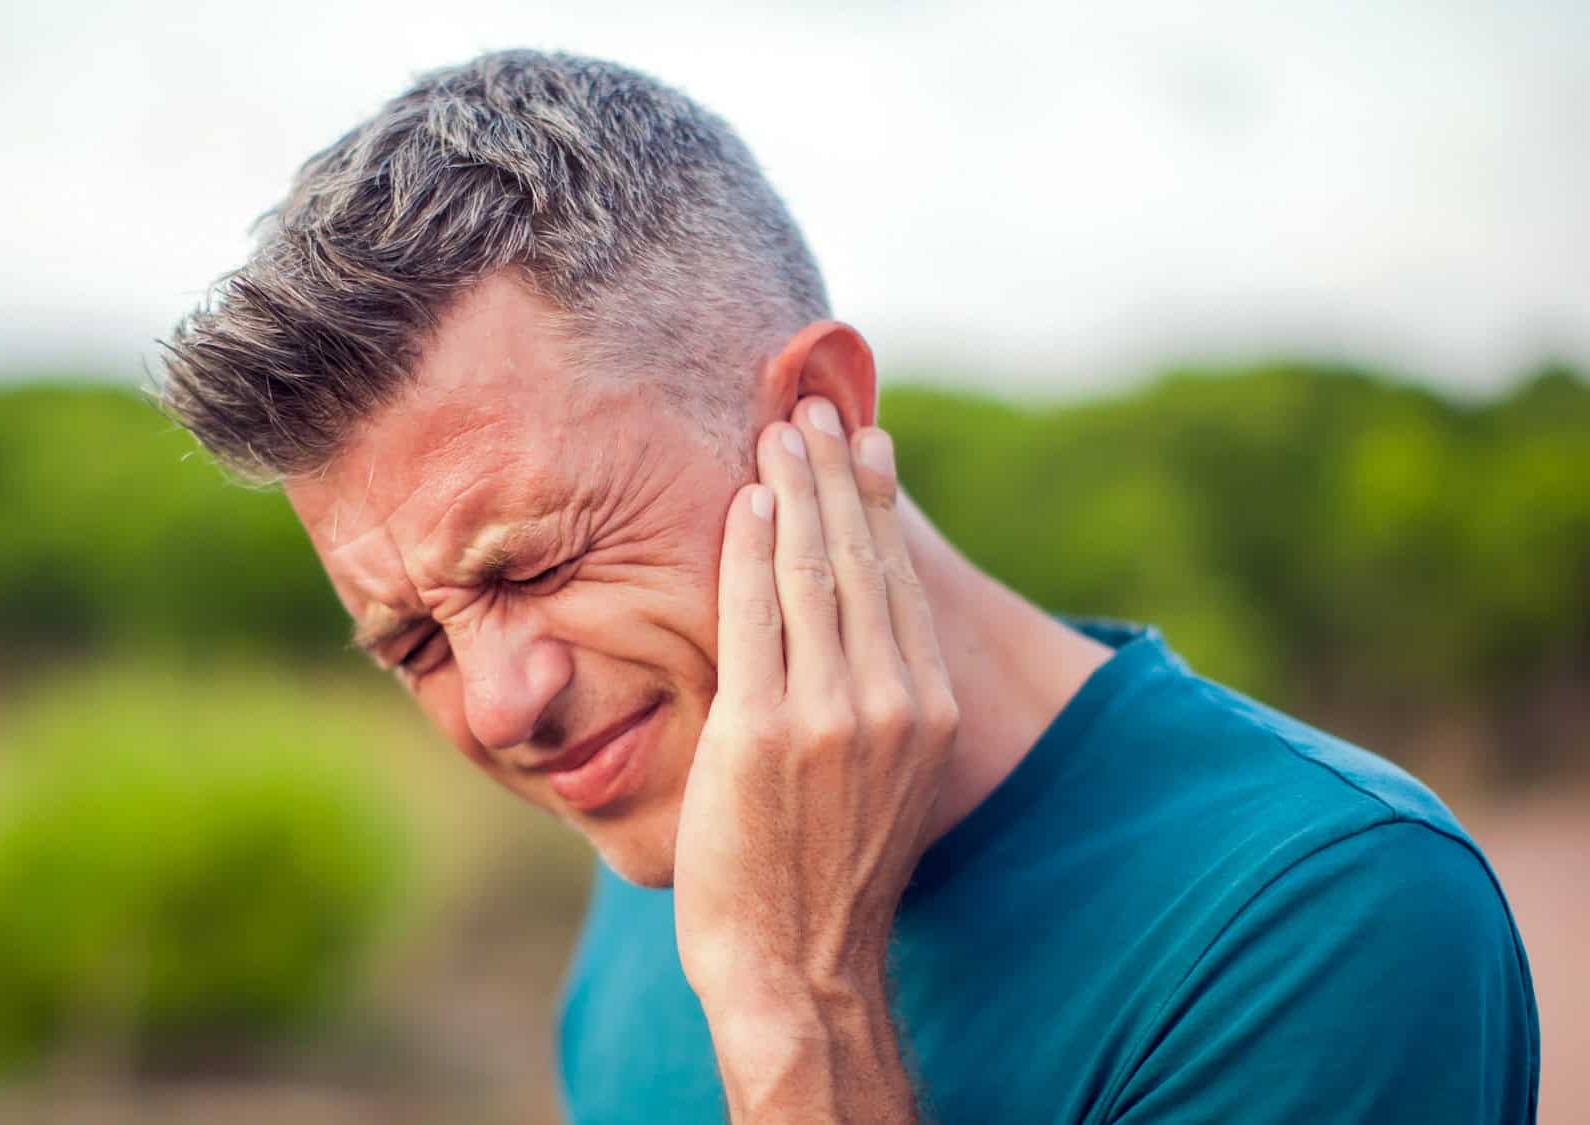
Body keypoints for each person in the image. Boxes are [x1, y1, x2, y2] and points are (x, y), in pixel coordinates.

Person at [157, 49, 1539, 1124]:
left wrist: (796, 1004)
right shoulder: (652, 812)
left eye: (537, 561)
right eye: (413, 644)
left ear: (815, 410)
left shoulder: (1322, 915)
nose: (508, 705)